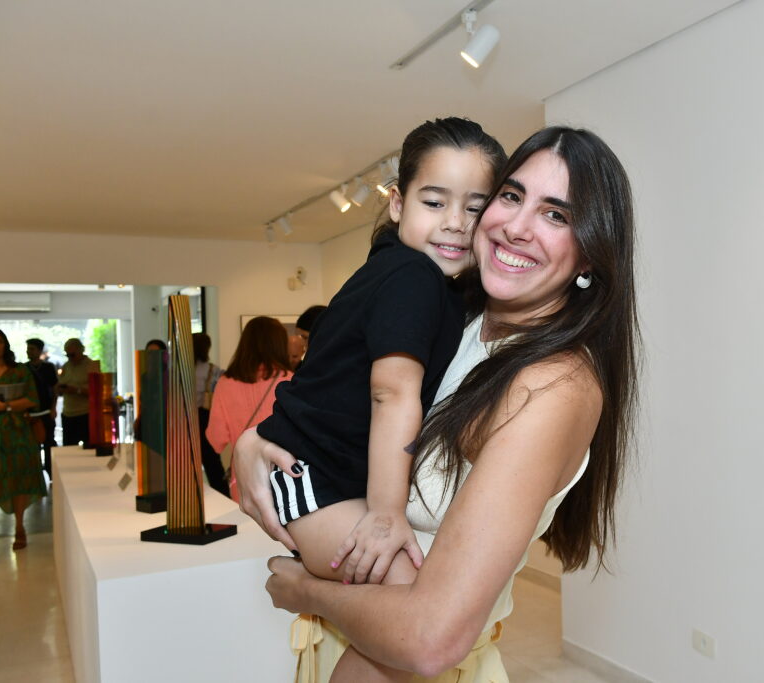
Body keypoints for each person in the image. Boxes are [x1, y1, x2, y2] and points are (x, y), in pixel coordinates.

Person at [234, 126, 637, 682]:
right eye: (512, 196)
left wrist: (306, 590)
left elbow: (430, 640)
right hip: (343, 643)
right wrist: (254, 440)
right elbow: (340, 385)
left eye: (555, 214)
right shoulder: (459, 316)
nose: (516, 227)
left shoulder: (552, 385)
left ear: (591, 255)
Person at [206, 317, 293, 501]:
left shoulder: (225, 383)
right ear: (280, 344)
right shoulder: (292, 381)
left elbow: (216, 439)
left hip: (243, 478)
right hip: (286, 477)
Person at [0, 328, 46, 550]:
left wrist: (6, 406)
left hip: (17, 432)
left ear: (5, 344)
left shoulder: (20, 370)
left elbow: (33, 399)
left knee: (19, 478)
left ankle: (19, 526)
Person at [192, 332, 228, 497]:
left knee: (188, 461)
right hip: (206, 417)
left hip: (186, 419)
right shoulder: (214, 370)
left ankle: (191, 495)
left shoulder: (180, 370)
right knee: (213, 462)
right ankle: (222, 496)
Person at [24, 338, 58, 476]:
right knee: (33, 446)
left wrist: (53, 408)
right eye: (28, 349)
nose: (29, 352)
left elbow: (55, 389)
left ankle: (52, 473)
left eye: (32, 349)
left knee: (49, 443)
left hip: (46, 411)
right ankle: (35, 474)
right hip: (30, 413)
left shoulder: (48, 367)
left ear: (39, 351)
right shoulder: (24, 368)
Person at [57, 338, 99, 447]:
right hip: (68, 414)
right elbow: (60, 383)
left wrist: (77, 390)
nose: (70, 358)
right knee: (68, 448)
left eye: (72, 354)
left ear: (81, 350)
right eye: (67, 355)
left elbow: (97, 392)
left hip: (85, 414)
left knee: (89, 449)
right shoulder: (66, 366)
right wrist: (60, 389)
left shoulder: (91, 366)